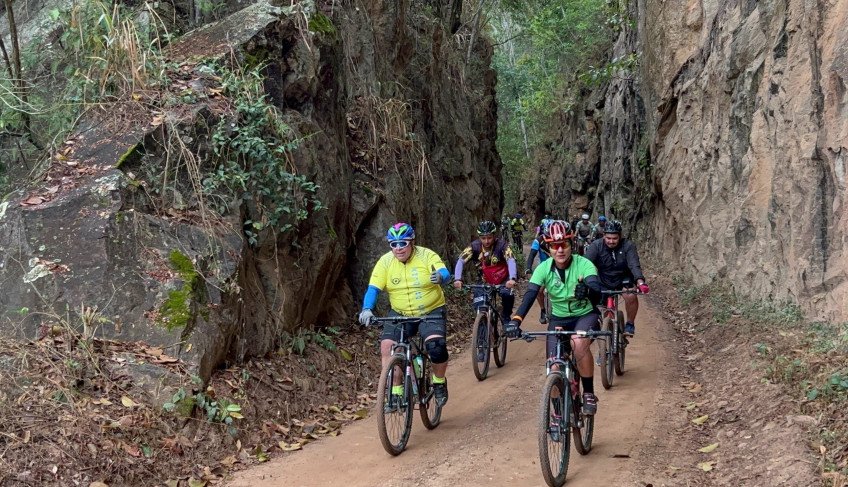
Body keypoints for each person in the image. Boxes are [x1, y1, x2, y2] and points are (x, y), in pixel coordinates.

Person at [505, 221, 606, 415]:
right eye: (554, 246)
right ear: (548, 248)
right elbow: (530, 295)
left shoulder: (584, 264)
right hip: (558, 319)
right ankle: (558, 415)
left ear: (571, 244)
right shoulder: (543, 268)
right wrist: (516, 320)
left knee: (578, 342)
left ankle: (589, 394)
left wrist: (588, 291)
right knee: (554, 367)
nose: (560, 250)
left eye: (564, 245)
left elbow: (597, 291)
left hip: (585, 315)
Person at [358, 222, 452, 407]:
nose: (399, 248)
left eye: (403, 243)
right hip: (400, 312)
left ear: (412, 242)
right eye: (394, 244)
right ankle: (395, 391)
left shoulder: (426, 255)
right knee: (388, 347)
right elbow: (373, 288)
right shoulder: (385, 262)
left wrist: (441, 277)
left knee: (436, 346)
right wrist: (367, 308)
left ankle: (439, 382)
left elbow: (444, 271)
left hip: (430, 309)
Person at [454, 221, 517, 360]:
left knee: (507, 295)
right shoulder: (474, 247)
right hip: (484, 281)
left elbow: (511, 260)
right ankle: (481, 345)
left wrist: (512, 278)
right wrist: (457, 279)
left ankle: (506, 317)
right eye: (483, 238)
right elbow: (461, 260)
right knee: (480, 309)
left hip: (503, 280)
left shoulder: (502, 246)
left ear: (494, 236)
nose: (487, 241)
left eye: (489, 237)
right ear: (479, 237)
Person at [583, 220, 650, 336]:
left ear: (620, 236)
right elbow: (585, 264)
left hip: (624, 277)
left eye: (615, 238)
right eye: (608, 238)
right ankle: (602, 325)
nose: (611, 241)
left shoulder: (628, 245)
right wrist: (581, 280)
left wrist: (640, 282)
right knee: (595, 300)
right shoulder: (596, 245)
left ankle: (630, 324)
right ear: (604, 236)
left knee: (630, 295)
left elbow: (634, 264)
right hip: (603, 278)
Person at [525, 219, 553, 324]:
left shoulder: (559, 239)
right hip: (543, 268)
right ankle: (542, 310)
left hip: (557, 267)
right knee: (539, 290)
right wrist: (528, 267)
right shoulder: (538, 241)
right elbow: (532, 255)